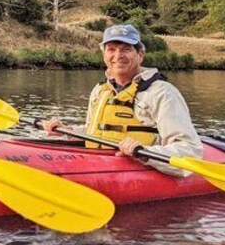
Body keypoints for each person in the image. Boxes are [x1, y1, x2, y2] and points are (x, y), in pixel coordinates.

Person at [42, 24, 202, 176]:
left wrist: (143, 151)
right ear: (104, 55)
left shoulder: (162, 93)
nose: (118, 55)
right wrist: (67, 132)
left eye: (126, 49)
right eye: (111, 49)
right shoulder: (100, 90)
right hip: (99, 162)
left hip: (139, 169)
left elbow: (190, 151)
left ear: (140, 55)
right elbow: (97, 132)